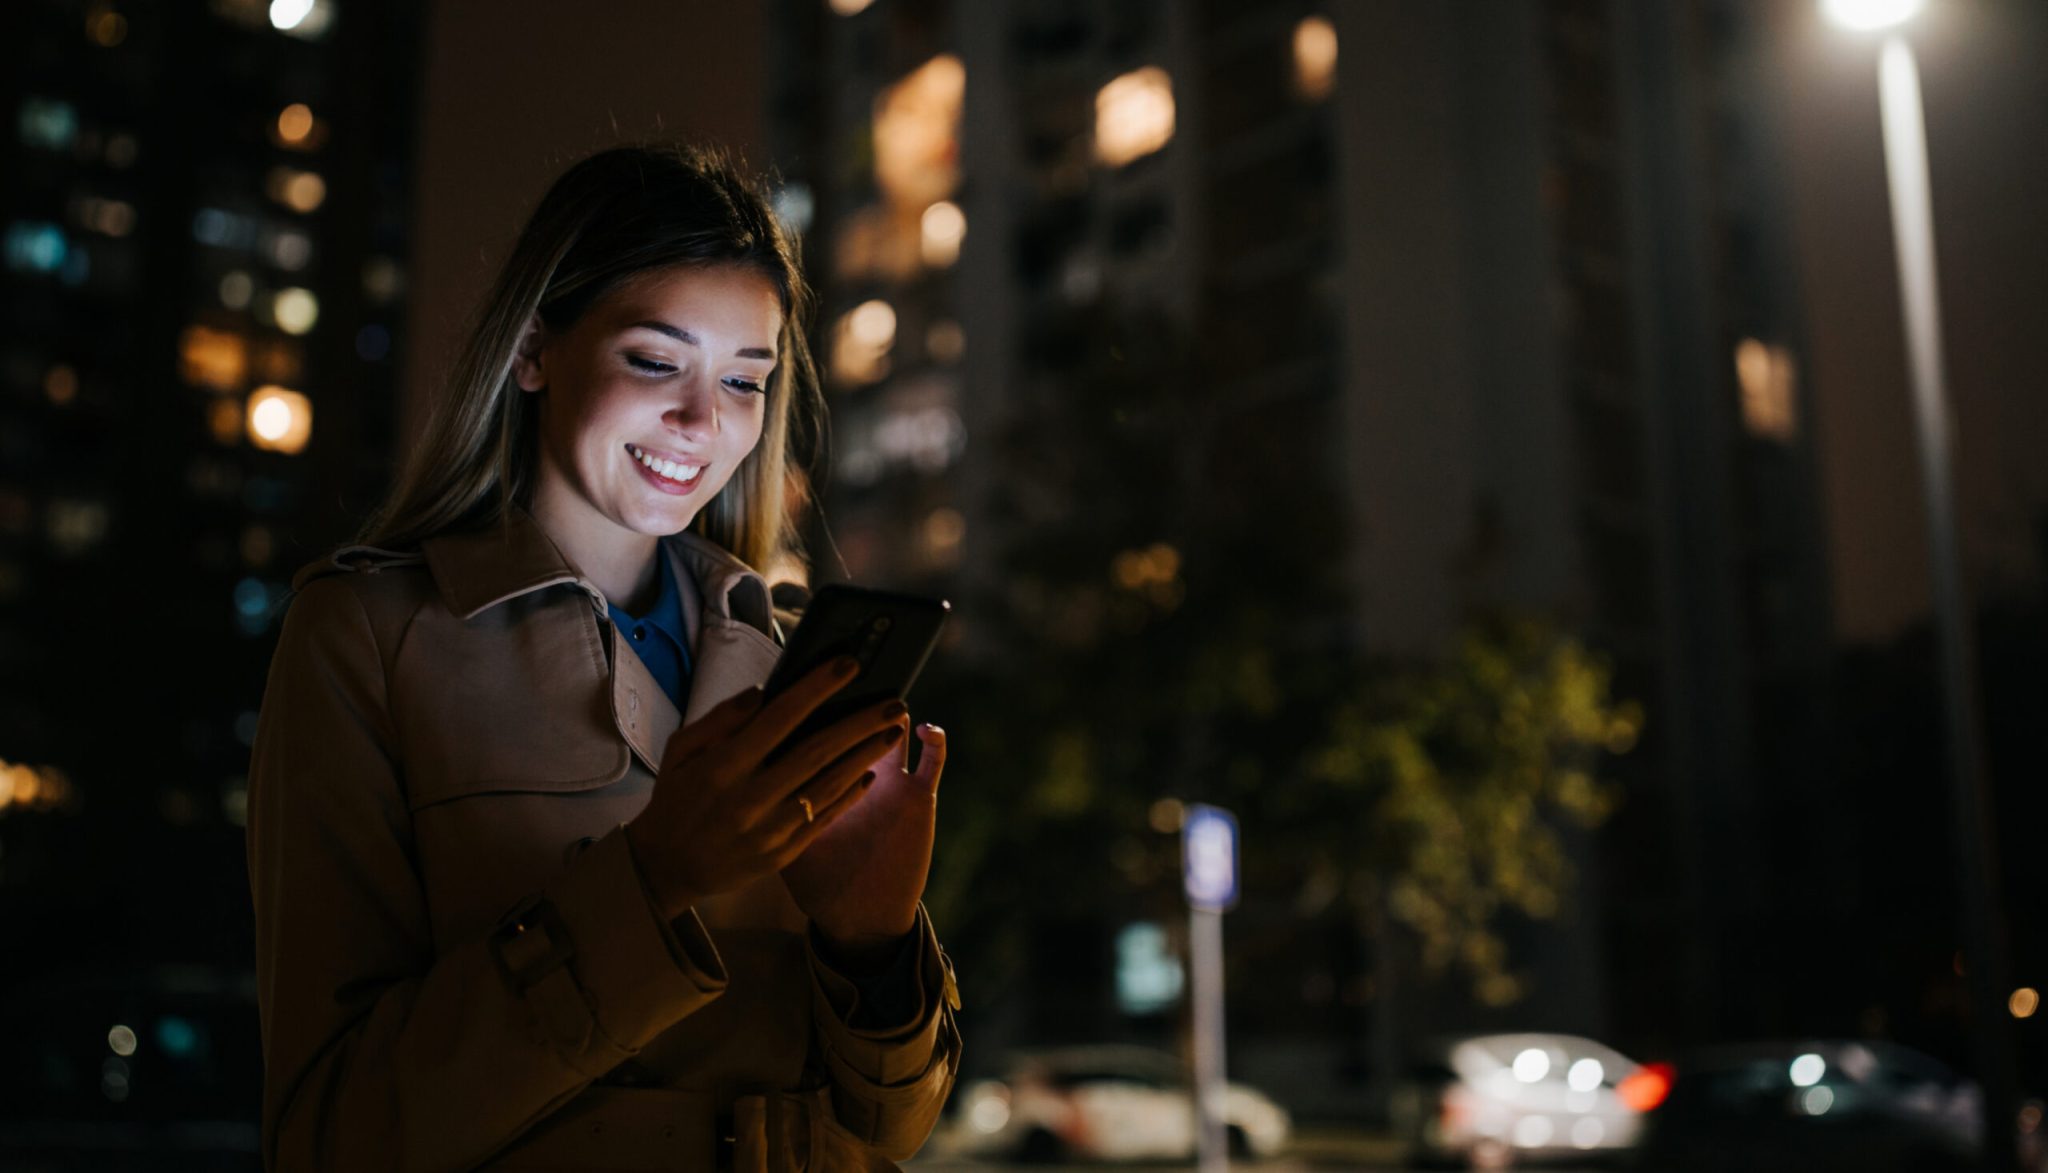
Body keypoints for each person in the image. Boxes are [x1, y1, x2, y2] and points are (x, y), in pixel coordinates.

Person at [246, 144, 961, 1172]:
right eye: (654, 360)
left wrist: (874, 943)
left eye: (745, 380)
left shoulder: (780, 656)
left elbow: (891, 1128)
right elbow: (329, 1137)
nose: (702, 421)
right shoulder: (368, 636)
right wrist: (654, 876)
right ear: (535, 349)